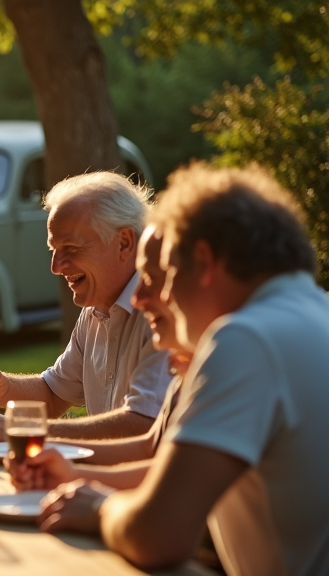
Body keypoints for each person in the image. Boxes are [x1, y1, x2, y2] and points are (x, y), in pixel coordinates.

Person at [36, 163, 329, 575]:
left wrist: (99, 507)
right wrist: (78, 475)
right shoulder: (309, 314)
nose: (153, 297)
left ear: (205, 262)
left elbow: (157, 536)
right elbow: (172, 467)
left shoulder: (247, 338)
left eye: (168, 274)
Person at [0, 171, 171, 441]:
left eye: (71, 248)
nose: (55, 267)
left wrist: (20, 430)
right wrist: (3, 388)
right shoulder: (96, 309)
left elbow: (144, 426)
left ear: (124, 242)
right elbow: (53, 395)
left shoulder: (162, 310)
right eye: (53, 250)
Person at [10, 224, 191, 490]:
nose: (137, 298)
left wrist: (96, 507)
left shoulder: (238, 346)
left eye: (151, 278)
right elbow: (152, 451)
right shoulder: (198, 358)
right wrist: (69, 475)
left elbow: (175, 499)